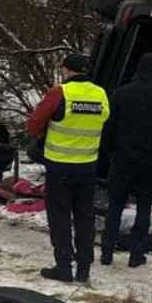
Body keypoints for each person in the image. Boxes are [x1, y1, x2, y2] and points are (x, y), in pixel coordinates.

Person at [27, 53, 110, 283]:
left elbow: (33, 125)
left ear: (66, 70)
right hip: (87, 167)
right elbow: (104, 120)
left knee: (60, 216)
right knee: (85, 217)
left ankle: (63, 267)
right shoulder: (100, 93)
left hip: (60, 166)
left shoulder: (59, 92)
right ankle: (84, 269)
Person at [100, 53, 152, 268]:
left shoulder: (119, 94)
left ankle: (106, 252)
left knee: (115, 206)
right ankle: (136, 254)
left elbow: (108, 127)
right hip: (149, 161)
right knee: (144, 208)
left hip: (122, 159)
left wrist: (108, 152)